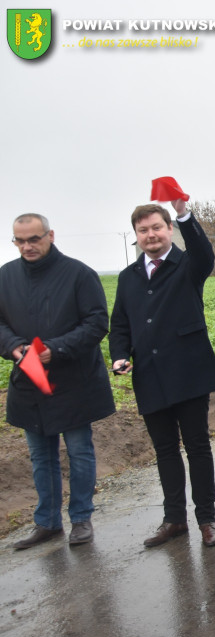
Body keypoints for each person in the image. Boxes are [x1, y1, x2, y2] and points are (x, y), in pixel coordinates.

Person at [109, 199, 215, 549]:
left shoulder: (188, 264)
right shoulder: (128, 278)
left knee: (197, 447)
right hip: (149, 375)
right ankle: (174, 519)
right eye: (143, 230)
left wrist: (184, 215)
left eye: (157, 227)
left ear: (168, 229)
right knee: (164, 451)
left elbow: (205, 253)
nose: (151, 235)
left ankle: (206, 518)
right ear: (136, 236)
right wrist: (119, 357)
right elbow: (120, 326)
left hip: (188, 372)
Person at [0, 213, 114, 549]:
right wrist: (14, 347)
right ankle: (47, 522)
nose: (26, 246)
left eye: (33, 239)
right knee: (40, 456)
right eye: (19, 241)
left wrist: (56, 348)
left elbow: (97, 322)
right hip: (29, 382)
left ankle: (81, 519)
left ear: (50, 235)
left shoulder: (78, 274)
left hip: (74, 381)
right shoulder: (5, 277)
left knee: (79, 452)